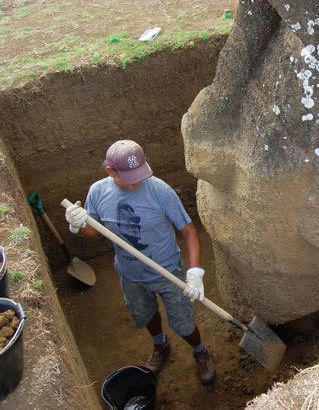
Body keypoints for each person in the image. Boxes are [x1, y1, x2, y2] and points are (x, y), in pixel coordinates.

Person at [64, 139, 216, 384]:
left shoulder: (159, 191)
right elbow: (93, 232)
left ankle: (200, 351)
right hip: (130, 274)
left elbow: (188, 230)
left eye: (140, 174)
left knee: (184, 321)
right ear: (110, 172)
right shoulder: (98, 192)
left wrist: (195, 271)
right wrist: (78, 224)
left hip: (166, 271)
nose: (137, 181)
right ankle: (160, 346)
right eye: (129, 176)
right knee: (145, 314)